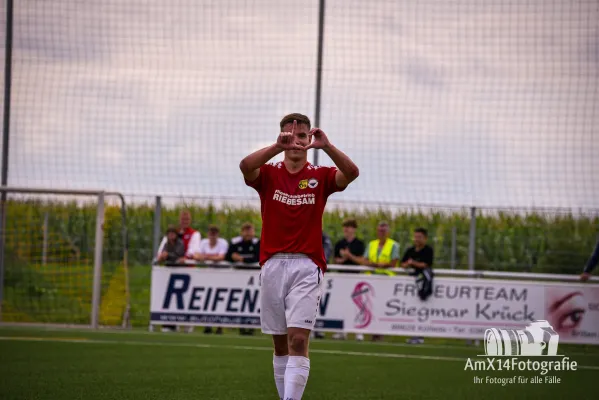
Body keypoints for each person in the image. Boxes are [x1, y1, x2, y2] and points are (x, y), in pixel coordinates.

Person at [239, 113, 359, 400]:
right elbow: (245, 167)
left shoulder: (320, 176)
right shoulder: (268, 173)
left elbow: (351, 173)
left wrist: (327, 146)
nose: (296, 141)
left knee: (297, 340)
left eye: (302, 136)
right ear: (282, 138)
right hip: (272, 265)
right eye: (289, 136)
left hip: (306, 265)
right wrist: (275, 147)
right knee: (280, 346)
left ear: (309, 139)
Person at [332, 218, 366, 340]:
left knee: (356, 304)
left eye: (349, 227)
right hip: (342, 277)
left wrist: (349, 256)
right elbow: (336, 260)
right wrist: (342, 259)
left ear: (354, 229)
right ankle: (342, 331)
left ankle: (358, 331)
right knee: (342, 303)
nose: (346, 229)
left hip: (355, 277)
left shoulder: (359, 244)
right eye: (345, 227)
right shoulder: (339, 243)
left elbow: (362, 260)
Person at [400, 227, 434, 344]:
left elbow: (426, 264)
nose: (417, 239)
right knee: (411, 308)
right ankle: (413, 333)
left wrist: (413, 263)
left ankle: (420, 334)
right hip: (409, 284)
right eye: (415, 237)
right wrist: (407, 264)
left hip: (422, 282)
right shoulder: (410, 250)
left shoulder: (428, 250)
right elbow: (403, 264)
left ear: (425, 238)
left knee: (422, 307)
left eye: (419, 237)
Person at [226, 222, 261, 335]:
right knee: (239, 300)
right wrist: (233, 257)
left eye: (250, 231)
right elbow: (228, 256)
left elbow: (258, 257)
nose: (248, 234)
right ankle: (241, 325)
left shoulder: (257, 242)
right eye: (246, 231)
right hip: (238, 276)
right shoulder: (235, 242)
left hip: (253, 277)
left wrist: (241, 259)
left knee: (252, 300)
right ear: (242, 232)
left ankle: (251, 326)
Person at [194, 224, 229, 335]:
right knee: (207, 300)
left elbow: (221, 257)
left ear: (217, 234)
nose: (213, 235)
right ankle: (207, 324)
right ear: (208, 234)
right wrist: (211, 258)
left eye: (215, 233)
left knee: (220, 300)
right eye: (211, 233)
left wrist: (206, 257)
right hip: (208, 275)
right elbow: (196, 256)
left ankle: (219, 326)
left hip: (221, 275)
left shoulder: (223, 243)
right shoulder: (204, 243)